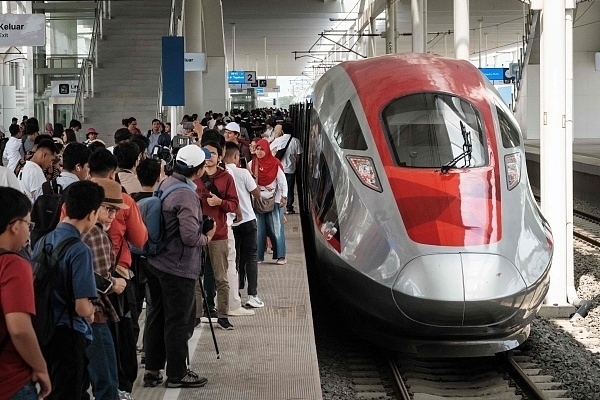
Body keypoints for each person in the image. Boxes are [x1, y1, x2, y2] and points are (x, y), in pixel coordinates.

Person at [144, 145, 215, 388]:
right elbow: (190, 237)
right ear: (198, 169)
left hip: (156, 262)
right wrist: (208, 236)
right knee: (178, 320)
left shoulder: (166, 183)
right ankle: (177, 374)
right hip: (177, 267)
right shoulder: (186, 195)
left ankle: (152, 370)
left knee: (156, 316)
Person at [35, 180, 103, 399]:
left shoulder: (43, 241)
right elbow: (82, 307)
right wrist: (92, 312)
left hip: (43, 329)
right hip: (69, 334)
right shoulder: (80, 250)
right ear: (92, 214)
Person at [0, 187, 52, 400]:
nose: (29, 231)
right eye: (28, 224)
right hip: (10, 381)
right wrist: (40, 368)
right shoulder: (13, 265)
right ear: (14, 226)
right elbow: (19, 329)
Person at [82, 178, 128, 400]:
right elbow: (100, 280)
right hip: (95, 314)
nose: (113, 215)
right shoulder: (97, 235)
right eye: (108, 209)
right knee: (107, 380)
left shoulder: (70, 230)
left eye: (115, 210)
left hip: (72, 317)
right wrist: (115, 284)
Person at [194, 141, 239, 330]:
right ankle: (196, 315)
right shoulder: (195, 176)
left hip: (218, 234)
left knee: (221, 277)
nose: (208, 157)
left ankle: (223, 315)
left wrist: (220, 202)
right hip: (196, 233)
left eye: (212, 153)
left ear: (220, 156)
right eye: (205, 152)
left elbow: (234, 205)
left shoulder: (226, 177)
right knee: (195, 276)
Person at [223, 142, 265, 309]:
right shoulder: (242, 172)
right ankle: (253, 295)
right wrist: (250, 176)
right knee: (251, 257)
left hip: (231, 222)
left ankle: (237, 292)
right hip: (247, 219)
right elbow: (257, 193)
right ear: (236, 156)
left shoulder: (221, 174)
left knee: (235, 258)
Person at [249, 139, 288, 264]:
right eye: (257, 149)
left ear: (267, 150)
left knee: (276, 228)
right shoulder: (252, 164)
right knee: (258, 230)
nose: (259, 152)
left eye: (262, 149)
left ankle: (280, 256)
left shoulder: (275, 163)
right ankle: (258, 256)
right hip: (258, 201)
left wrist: (284, 197)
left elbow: (282, 182)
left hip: (275, 201)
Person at [270, 123, 303, 214]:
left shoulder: (278, 140)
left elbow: (269, 148)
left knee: (278, 188)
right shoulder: (296, 141)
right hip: (291, 169)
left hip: (279, 169)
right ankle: (289, 208)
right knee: (289, 188)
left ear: (282, 131)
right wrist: (295, 165)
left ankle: (278, 205)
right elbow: (299, 155)